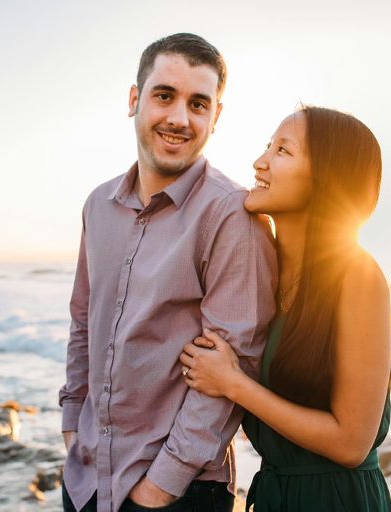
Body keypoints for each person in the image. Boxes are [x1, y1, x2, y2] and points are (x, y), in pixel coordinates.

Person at [59, 33, 277, 512]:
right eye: (164, 96)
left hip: (178, 495)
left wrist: (160, 488)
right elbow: (84, 322)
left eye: (198, 104)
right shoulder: (98, 205)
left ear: (215, 117)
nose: (179, 118)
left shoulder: (231, 215)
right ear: (135, 100)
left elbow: (237, 360)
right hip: (86, 479)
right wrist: (73, 424)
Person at [179, 106, 391, 511]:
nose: (259, 162)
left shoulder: (357, 275)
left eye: (282, 150)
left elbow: (351, 443)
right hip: (276, 496)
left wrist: (233, 383)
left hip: (337, 501)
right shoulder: (261, 271)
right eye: (267, 147)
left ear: (326, 176)